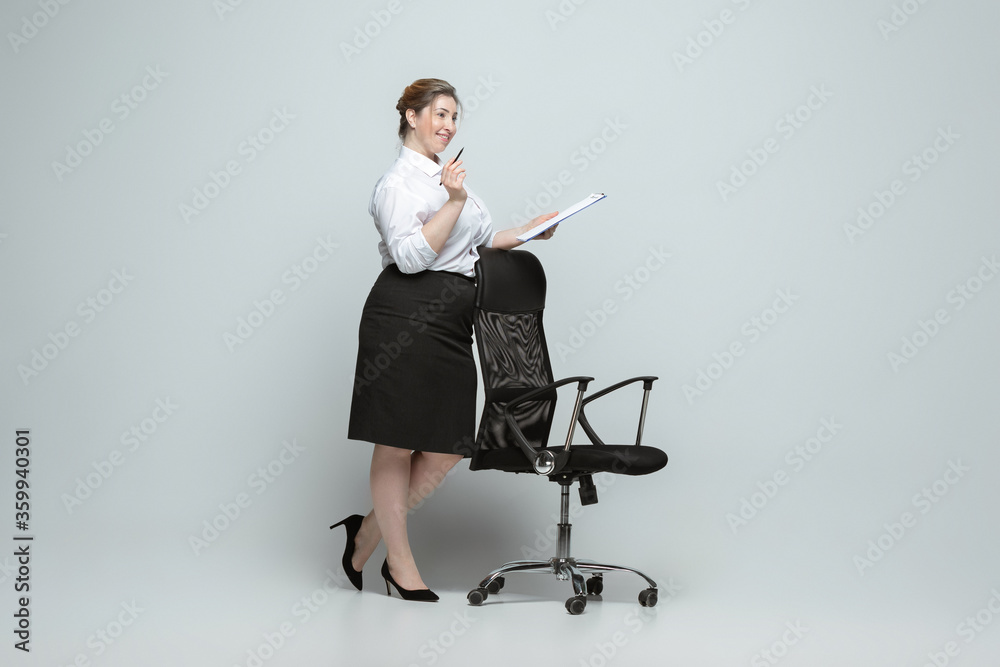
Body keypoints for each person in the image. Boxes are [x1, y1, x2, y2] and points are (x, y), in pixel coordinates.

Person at [331, 78, 558, 601]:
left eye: (454, 116)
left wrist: (528, 231)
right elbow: (412, 258)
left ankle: (365, 533)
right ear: (411, 117)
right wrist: (452, 200)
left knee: (448, 446)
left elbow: (481, 241)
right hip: (404, 315)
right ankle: (400, 564)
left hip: (454, 320)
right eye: (438, 114)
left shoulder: (447, 177)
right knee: (395, 439)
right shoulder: (397, 185)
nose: (448, 125)